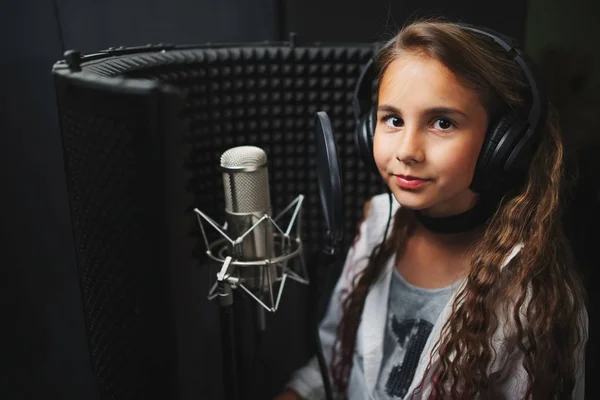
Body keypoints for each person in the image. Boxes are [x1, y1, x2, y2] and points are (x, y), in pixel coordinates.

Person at [275, 18, 588, 399]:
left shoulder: (533, 295)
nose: (407, 150)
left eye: (442, 123)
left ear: (502, 145)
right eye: (392, 119)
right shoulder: (376, 224)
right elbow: (333, 361)